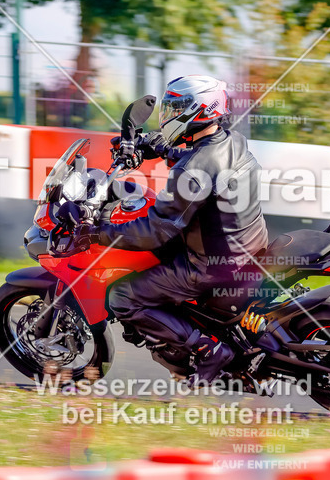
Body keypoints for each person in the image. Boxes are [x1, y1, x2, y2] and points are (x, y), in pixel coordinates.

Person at [92, 75, 268, 382]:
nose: (169, 115)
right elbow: (196, 156)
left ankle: (207, 350)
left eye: (176, 108)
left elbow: (156, 230)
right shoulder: (230, 140)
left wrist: (98, 234)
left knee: (122, 298)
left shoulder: (195, 169)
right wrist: (150, 146)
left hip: (211, 266)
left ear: (199, 111)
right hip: (246, 245)